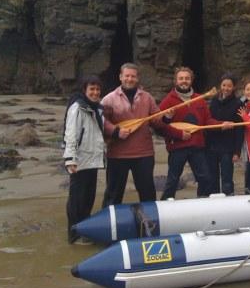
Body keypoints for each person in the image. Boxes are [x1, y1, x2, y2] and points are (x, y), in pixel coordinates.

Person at [101, 63, 182, 207]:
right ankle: (109, 222)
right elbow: (101, 121)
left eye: (133, 76)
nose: (130, 79)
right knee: (113, 194)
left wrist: (166, 118)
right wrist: (116, 131)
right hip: (118, 155)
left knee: (147, 193)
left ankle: (151, 222)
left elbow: (156, 120)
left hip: (143, 154)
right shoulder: (109, 99)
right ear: (120, 77)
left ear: (137, 78)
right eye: (127, 76)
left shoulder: (147, 98)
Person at [159, 66, 232, 200]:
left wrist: (221, 125)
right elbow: (161, 126)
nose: (184, 81)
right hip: (177, 147)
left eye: (187, 78)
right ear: (175, 81)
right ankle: (165, 203)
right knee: (172, 180)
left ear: (191, 80)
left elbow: (207, 121)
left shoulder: (199, 98)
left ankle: (202, 202)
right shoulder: (168, 101)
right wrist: (169, 120)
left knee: (205, 178)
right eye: (181, 78)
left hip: (197, 146)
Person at [63, 76, 105, 245]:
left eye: (97, 90)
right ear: (84, 91)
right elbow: (70, 133)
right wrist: (70, 158)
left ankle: (85, 231)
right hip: (79, 160)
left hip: (92, 160)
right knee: (76, 201)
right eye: (91, 90)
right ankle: (74, 235)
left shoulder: (97, 108)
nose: (95, 93)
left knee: (88, 198)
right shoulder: (78, 107)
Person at [205, 73, 244, 195]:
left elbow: (240, 129)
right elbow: (208, 122)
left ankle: (228, 199)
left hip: (228, 147)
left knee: (227, 178)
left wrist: (237, 151)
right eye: (224, 85)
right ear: (220, 86)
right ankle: (214, 201)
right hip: (212, 146)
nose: (226, 88)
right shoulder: (214, 101)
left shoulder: (238, 104)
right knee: (212, 177)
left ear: (234, 87)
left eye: (229, 86)